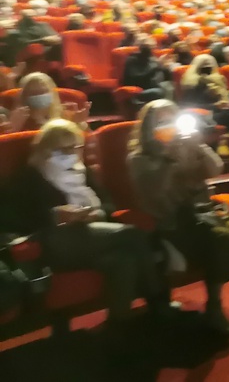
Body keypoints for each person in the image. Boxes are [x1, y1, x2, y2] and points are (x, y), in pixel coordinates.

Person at [0, 119, 165, 340]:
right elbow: (12, 218)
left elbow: (108, 204)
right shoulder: (28, 175)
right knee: (131, 234)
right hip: (52, 241)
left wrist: (95, 213)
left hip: (92, 234)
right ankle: (158, 300)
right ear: (45, 149)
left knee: (123, 258)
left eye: (74, 147)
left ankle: (119, 326)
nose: (70, 154)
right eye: (62, 149)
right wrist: (55, 214)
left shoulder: (81, 171)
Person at [128, 100, 229, 338]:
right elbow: (156, 192)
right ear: (148, 127)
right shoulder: (139, 158)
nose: (167, 126)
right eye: (161, 121)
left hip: (202, 215)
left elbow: (215, 168)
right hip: (169, 222)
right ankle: (215, 311)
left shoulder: (186, 145)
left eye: (171, 119)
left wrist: (198, 146)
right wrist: (169, 159)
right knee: (220, 237)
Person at [4, 72, 90, 134]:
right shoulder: (18, 121)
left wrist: (79, 124)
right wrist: (13, 130)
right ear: (24, 97)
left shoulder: (65, 115)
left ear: (52, 94)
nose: (39, 96)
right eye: (33, 93)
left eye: (43, 91)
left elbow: (87, 143)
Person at [121, 38, 172, 107]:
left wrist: (166, 68)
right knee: (160, 91)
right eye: (148, 47)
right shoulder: (132, 60)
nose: (151, 50)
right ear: (140, 47)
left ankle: (170, 111)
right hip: (140, 90)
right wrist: (157, 66)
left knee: (171, 86)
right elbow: (137, 79)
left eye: (153, 47)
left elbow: (167, 77)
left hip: (157, 86)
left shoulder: (152, 59)